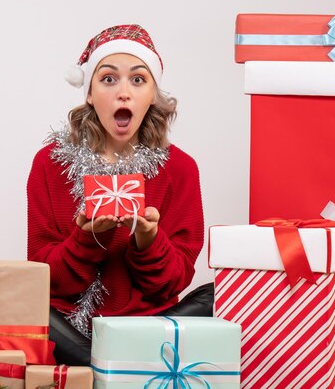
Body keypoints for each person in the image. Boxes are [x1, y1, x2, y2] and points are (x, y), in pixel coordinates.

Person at [27, 24, 213, 365]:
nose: (123, 93)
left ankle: (109, 368)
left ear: (152, 94)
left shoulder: (181, 169)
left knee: (219, 295)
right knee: (23, 306)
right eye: (109, 79)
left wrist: (148, 239)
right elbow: (44, 279)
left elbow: (172, 282)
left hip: (148, 326)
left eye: (138, 80)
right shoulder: (48, 164)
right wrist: (86, 239)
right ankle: (113, 370)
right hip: (70, 329)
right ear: (89, 92)